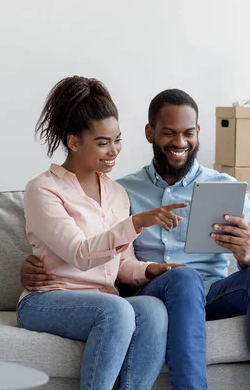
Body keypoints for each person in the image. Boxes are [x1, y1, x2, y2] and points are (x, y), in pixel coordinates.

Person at [21, 89, 250, 390]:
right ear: (150, 133)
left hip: (210, 292)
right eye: (169, 133)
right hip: (157, 291)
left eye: (188, 133)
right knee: (182, 279)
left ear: (198, 132)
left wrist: (246, 252)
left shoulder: (221, 187)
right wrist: (37, 262)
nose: (180, 142)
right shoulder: (125, 189)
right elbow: (81, 248)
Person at [18, 76, 190, 390]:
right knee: (116, 311)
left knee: (152, 309)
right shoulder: (43, 190)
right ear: (73, 142)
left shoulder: (117, 194)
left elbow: (121, 264)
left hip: (103, 300)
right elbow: (80, 254)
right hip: (48, 299)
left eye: (117, 140)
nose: (114, 151)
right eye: (103, 142)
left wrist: (152, 270)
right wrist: (137, 223)